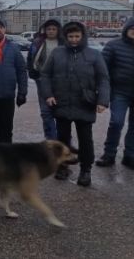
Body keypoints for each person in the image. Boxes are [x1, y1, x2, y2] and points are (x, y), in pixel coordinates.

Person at [41, 21, 110, 186]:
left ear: (83, 36)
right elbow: (45, 75)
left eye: (77, 36)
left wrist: (102, 101)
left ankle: (86, 170)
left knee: (85, 139)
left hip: (85, 103)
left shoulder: (94, 55)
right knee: (63, 138)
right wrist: (48, 95)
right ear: (65, 36)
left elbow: (103, 79)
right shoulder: (57, 53)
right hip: (62, 102)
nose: (73, 39)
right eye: (70, 36)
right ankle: (63, 166)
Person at [96, 17, 134, 169]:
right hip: (120, 92)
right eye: (132, 28)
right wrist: (103, 92)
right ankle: (109, 155)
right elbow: (102, 71)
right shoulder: (113, 45)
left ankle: (130, 156)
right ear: (127, 29)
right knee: (116, 123)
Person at [27, 19, 64, 140]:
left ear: (58, 30)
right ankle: (51, 139)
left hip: (61, 81)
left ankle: (63, 139)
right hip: (42, 79)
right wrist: (33, 73)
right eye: (49, 29)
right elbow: (30, 58)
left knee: (61, 112)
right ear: (44, 30)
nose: (51, 31)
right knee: (45, 111)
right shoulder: (38, 42)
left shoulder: (64, 43)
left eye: (54, 29)